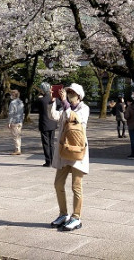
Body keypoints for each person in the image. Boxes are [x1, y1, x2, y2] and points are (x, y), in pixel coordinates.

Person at [49, 83, 89, 232]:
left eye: (72, 92)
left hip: (77, 152)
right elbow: (53, 116)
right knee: (58, 184)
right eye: (68, 92)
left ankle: (76, 217)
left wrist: (65, 102)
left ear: (79, 95)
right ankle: (63, 213)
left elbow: (73, 119)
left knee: (76, 186)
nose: (69, 94)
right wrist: (52, 100)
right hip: (64, 151)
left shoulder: (84, 109)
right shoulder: (65, 107)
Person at [36, 83, 58, 166]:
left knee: (46, 143)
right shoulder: (54, 98)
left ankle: (48, 161)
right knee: (51, 143)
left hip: (44, 123)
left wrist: (39, 96)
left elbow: (35, 106)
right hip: (52, 122)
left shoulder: (40, 100)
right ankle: (53, 160)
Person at [7, 90, 24, 155]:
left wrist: (9, 122)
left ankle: (17, 149)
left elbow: (11, 113)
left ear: (14, 95)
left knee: (15, 136)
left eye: (11, 94)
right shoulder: (21, 102)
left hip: (14, 121)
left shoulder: (12, 103)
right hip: (20, 121)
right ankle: (19, 148)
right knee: (18, 135)